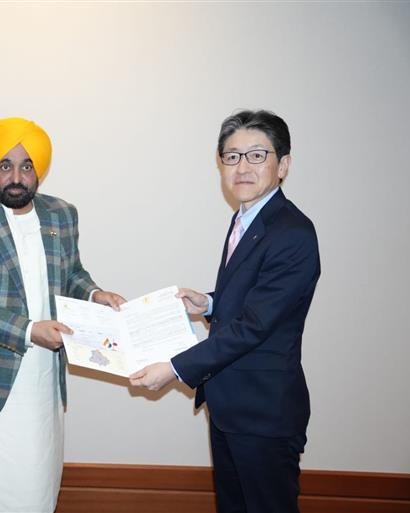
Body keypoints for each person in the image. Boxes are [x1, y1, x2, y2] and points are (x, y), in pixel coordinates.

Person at [130, 110, 320, 513]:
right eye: (231, 157)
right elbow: (256, 296)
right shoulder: (245, 218)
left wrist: (175, 368)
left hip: (264, 413)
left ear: (283, 165)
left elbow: (255, 325)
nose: (242, 167)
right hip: (230, 406)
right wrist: (211, 302)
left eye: (257, 155)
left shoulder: (293, 233)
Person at [0, 117, 125, 513]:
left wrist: (95, 294)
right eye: (5, 165)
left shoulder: (62, 214)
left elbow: (71, 273)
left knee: (34, 489)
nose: (17, 177)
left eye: (27, 166)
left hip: (41, 382)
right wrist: (28, 330)